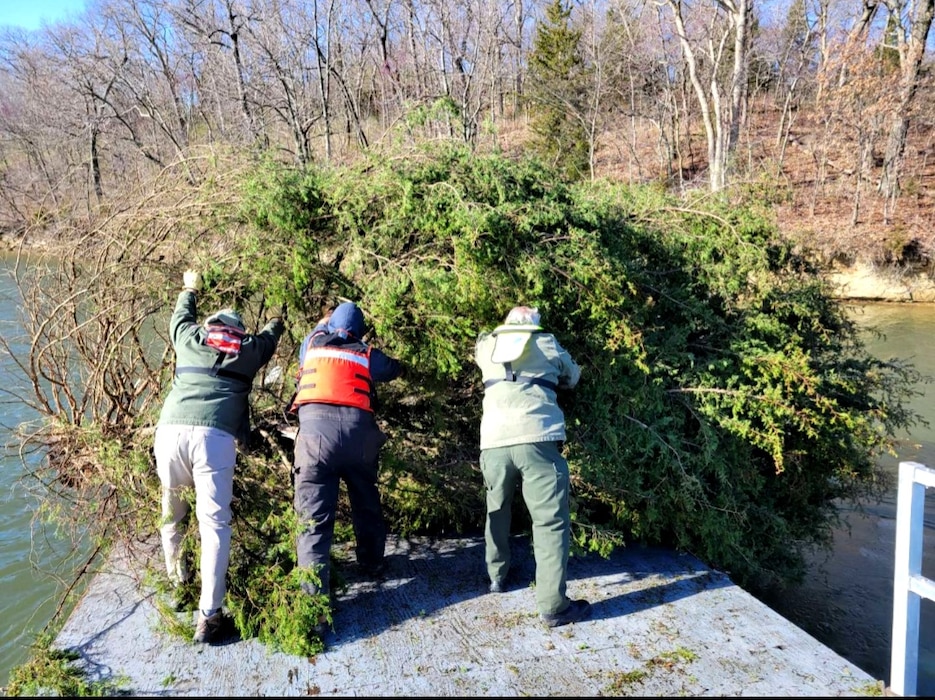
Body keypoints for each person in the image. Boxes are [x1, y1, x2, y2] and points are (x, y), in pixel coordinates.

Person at [154, 269, 285, 644]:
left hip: (169, 433)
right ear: (238, 332)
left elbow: (180, 315)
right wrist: (277, 316)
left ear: (210, 326)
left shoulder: (190, 338)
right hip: (214, 439)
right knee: (214, 526)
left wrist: (190, 286)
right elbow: (271, 337)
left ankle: (179, 585)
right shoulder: (248, 351)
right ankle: (209, 616)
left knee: (172, 514)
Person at [289, 301, 403, 636]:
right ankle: (371, 563)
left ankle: (315, 610)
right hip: (359, 440)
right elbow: (392, 369)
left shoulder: (311, 344)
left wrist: (325, 323)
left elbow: (311, 340)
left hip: (314, 443)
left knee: (312, 522)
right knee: (366, 503)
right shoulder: (366, 353)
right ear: (360, 332)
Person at [473, 305, 590, 628]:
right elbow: (573, 376)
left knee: (497, 509)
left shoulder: (487, 346)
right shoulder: (547, 342)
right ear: (534, 325)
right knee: (550, 522)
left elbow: (479, 346)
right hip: (538, 439)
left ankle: (497, 576)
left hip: (493, 441)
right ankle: (553, 606)